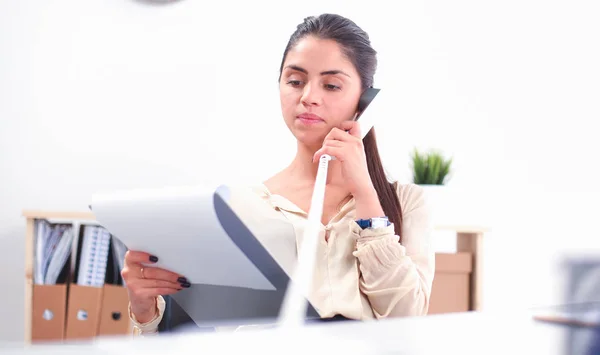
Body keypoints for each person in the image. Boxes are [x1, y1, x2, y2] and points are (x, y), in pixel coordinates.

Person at [121, 13, 435, 335]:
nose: (308, 97)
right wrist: (145, 311)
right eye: (295, 81)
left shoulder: (405, 202)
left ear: (365, 102)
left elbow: (406, 318)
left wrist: (367, 196)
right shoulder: (243, 205)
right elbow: (204, 333)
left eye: (331, 85)